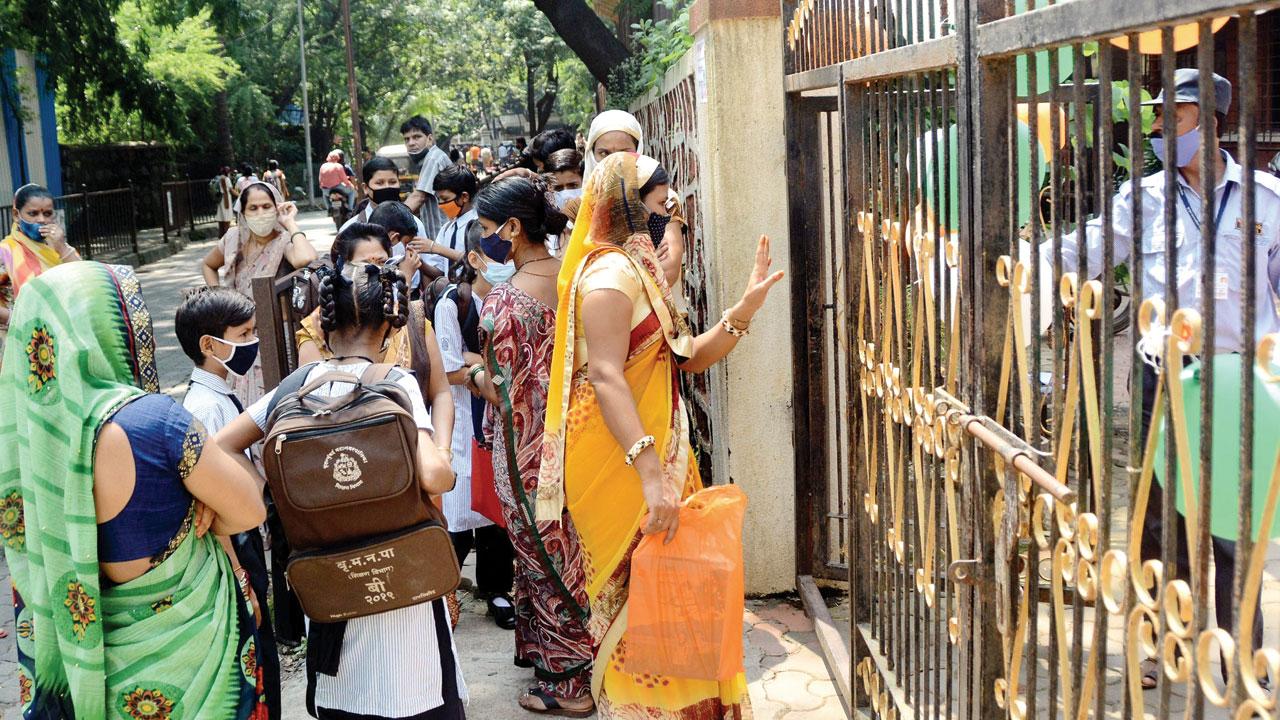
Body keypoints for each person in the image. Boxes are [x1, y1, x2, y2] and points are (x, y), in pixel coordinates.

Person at [1036, 69, 1280, 688]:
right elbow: (1088, 248)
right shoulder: (1141, 197)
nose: (1158, 130)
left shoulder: (1264, 199)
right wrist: (1023, 258)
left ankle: (1240, 650)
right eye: (1156, 119)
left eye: (1175, 117)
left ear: (1212, 120)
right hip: (1160, 377)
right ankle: (1161, 645)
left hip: (1236, 378)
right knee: (1157, 516)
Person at [536, 153, 783, 718]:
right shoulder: (607, 278)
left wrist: (741, 313)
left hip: (655, 455)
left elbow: (686, 357)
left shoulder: (639, 270)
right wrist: (651, 476)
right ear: (625, 205)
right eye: (658, 203)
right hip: (617, 464)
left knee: (676, 601)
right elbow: (604, 375)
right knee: (631, 608)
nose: (667, 213)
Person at [0, 261, 268, 718]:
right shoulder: (154, 421)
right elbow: (248, 511)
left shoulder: (25, 440)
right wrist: (203, 496)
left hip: (98, 677)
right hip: (193, 660)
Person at [214, 252, 466, 720]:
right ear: (389, 328)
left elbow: (220, 448)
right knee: (418, 689)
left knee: (346, 691)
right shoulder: (395, 384)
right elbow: (434, 477)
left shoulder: (294, 387)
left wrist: (271, 491)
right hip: (403, 570)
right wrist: (443, 458)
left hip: (327, 576)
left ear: (324, 326)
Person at [468, 176, 595, 716]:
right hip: (587, 440)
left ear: (513, 229)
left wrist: (473, 378)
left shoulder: (505, 302)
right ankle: (576, 663)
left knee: (542, 556)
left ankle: (569, 687)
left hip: (529, 452)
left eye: (487, 227)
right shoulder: (577, 275)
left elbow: (499, 387)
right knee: (576, 552)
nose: (482, 238)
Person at [175, 287, 282, 719]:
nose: (252, 343)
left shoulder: (219, 395)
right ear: (209, 345)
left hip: (245, 539)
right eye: (244, 333)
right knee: (256, 652)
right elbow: (209, 502)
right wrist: (239, 572)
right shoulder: (204, 406)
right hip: (235, 545)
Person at [434, 222, 517, 631]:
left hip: (498, 421)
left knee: (496, 517)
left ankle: (498, 590)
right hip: (465, 421)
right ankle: (444, 592)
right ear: (474, 259)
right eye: (498, 255)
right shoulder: (454, 304)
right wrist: (481, 370)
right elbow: (447, 369)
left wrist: (476, 362)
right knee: (457, 513)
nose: (507, 263)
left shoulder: (511, 298)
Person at [200, 182, 318, 404]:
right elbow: (208, 265)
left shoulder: (283, 240)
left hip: (273, 335)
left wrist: (290, 222)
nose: (261, 213)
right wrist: (217, 298)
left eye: (266, 206)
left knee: (273, 398)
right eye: (253, 208)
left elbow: (306, 258)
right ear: (243, 213)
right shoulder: (233, 238)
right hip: (237, 333)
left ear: (277, 207)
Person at [582, 110, 687, 294]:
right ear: (591, 154)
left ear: (638, 151)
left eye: (624, 152)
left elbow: (668, 273)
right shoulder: (583, 205)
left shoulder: (663, 199)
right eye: (604, 153)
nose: (614, 161)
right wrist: (646, 261)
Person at [0, 184, 79, 361]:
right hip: (18, 344)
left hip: (62, 341)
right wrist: (16, 319)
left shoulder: (57, 248)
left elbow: (86, 281)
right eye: (33, 213)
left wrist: (62, 247)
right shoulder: (5, 253)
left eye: (47, 213)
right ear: (16, 215)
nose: (41, 220)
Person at [413, 165, 479, 279]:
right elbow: (440, 271)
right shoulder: (447, 229)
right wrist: (418, 262)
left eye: (445, 199)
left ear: (464, 197)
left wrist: (436, 248)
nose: (440, 205)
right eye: (438, 199)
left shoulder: (479, 225)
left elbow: (479, 262)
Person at [402, 115, 454, 239]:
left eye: (416, 137)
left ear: (429, 139)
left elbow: (418, 197)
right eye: (407, 139)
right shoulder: (429, 159)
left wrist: (391, 220)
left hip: (442, 236)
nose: (411, 143)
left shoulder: (433, 158)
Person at [215, 166, 236, 236]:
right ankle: (227, 235)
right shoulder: (226, 179)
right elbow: (231, 190)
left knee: (221, 217)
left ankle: (221, 235)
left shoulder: (218, 178)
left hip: (220, 199)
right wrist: (239, 195)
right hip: (226, 199)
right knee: (226, 217)